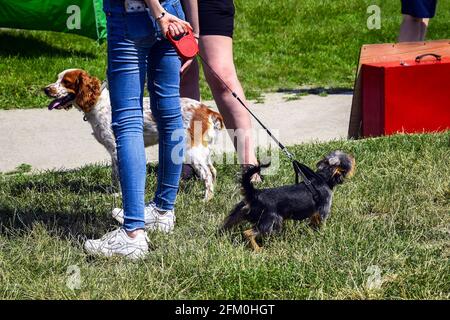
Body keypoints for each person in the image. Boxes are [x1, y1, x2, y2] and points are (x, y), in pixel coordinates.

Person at [84, 0, 192, 259]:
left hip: (136, 15)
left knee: (128, 121)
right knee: (170, 114)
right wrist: (192, 30)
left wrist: (158, 13)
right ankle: (163, 211)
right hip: (174, 16)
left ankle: (133, 232)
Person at [179, 0, 260, 173]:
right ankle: (189, 160)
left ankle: (249, 164)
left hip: (209, 4)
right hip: (170, 5)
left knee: (222, 77)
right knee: (183, 77)